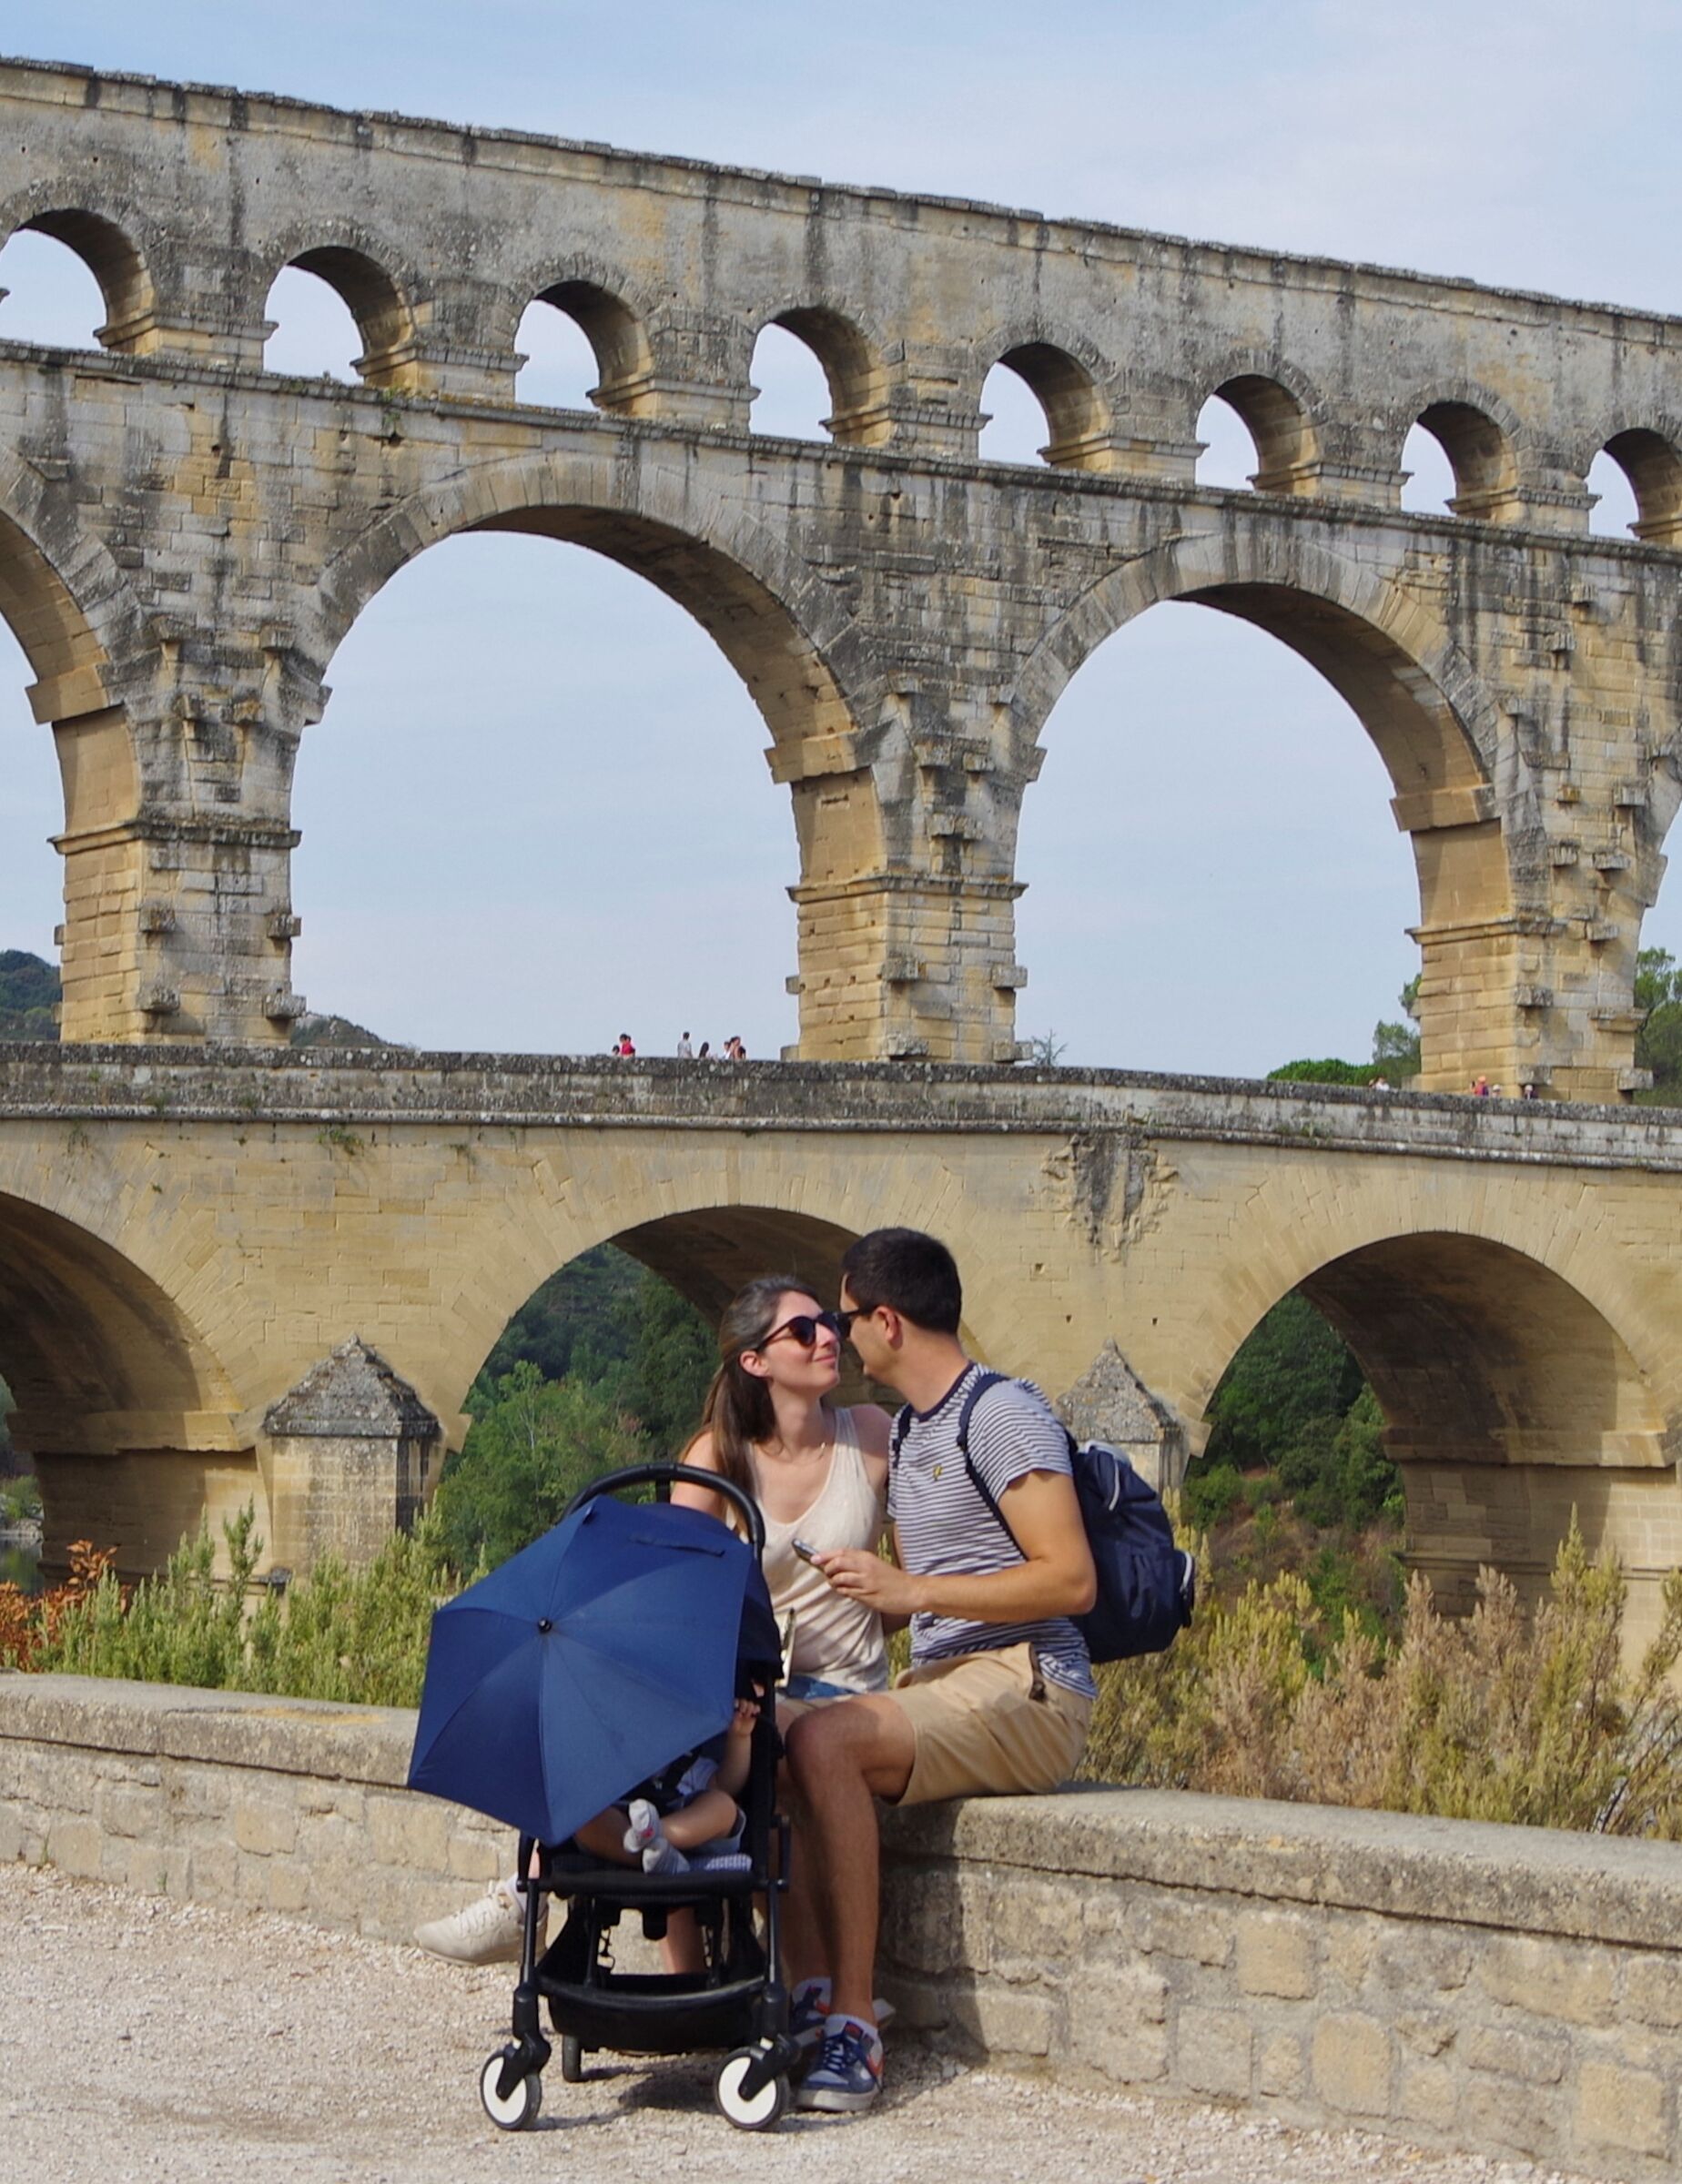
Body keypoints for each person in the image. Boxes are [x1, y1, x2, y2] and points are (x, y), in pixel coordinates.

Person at [413, 1273, 892, 1966]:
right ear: (755, 1361)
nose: (828, 1337)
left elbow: (916, 1572)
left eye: (828, 1322)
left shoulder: (870, 1435)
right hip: (744, 1684)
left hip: (837, 1689)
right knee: (615, 1725)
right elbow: (667, 1592)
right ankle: (547, 1898)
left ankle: (528, 1895)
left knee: (735, 1752)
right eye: (803, 1329)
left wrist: (888, 1597)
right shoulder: (718, 1457)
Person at [782, 1227, 1096, 2114]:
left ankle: (854, 2025)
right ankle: (809, 1993)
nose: (838, 1335)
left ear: (887, 1321)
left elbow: (1071, 1579)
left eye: (845, 1317)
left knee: (827, 1743)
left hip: (1031, 1682)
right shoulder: (914, 1428)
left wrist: (911, 1588)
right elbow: (926, 1601)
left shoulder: (998, 1414)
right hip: (948, 1681)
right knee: (757, 1736)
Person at [572, 1694, 759, 1875]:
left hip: (685, 1827)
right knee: (582, 1817)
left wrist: (739, 1738)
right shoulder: (609, 1754)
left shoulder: (686, 1759)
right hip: (622, 1827)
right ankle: (653, 1858)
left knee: (724, 1806)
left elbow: (725, 1785)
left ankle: (654, 1834)